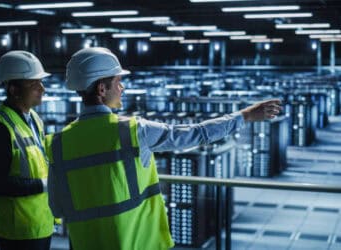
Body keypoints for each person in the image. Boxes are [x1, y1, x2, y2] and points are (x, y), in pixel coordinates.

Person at [45, 47, 282, 250]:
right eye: (118, 82)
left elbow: (56, 206)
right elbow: (195, 133)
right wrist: (245, 116)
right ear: (101, 89)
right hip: (137, 243)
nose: (123, 88)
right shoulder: (133, 130)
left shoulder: (57, 143)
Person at [0, 51, 54, 250]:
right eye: (34, 84)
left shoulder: (34, 119)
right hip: (17, 231)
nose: (42, 89)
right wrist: (44, 185)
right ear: (13, 89)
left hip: (41, 223)